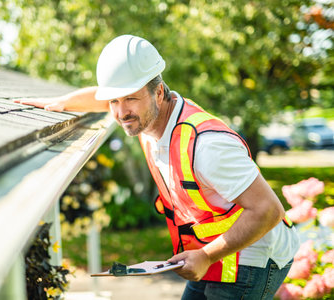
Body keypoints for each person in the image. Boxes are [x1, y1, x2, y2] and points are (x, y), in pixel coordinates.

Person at [16, 35, 299, 300]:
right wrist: (63, 103)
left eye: (130, 98)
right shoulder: (150, 119)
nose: (120, 112)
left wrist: (207, 256)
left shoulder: (207, 145)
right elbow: (107, 99)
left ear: (159, 92)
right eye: (114, 100)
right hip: (208, 252)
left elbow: (268, 210)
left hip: (254, 257)